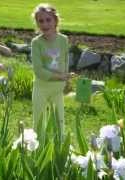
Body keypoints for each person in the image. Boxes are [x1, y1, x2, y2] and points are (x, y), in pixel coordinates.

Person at [31, 3, 72, 141]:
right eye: (40, 21)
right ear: (37, 23)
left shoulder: (63, 40)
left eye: (48, 20)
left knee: (59, 122)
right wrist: (60, 76)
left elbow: (65, 61)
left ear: (55, 21)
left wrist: (66, 79)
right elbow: (39, 71)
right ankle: (39, 149)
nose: (45, 24)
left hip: (57, 89)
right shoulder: (36, 43)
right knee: (39, 121)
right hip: (41, 88)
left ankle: (59, 148)